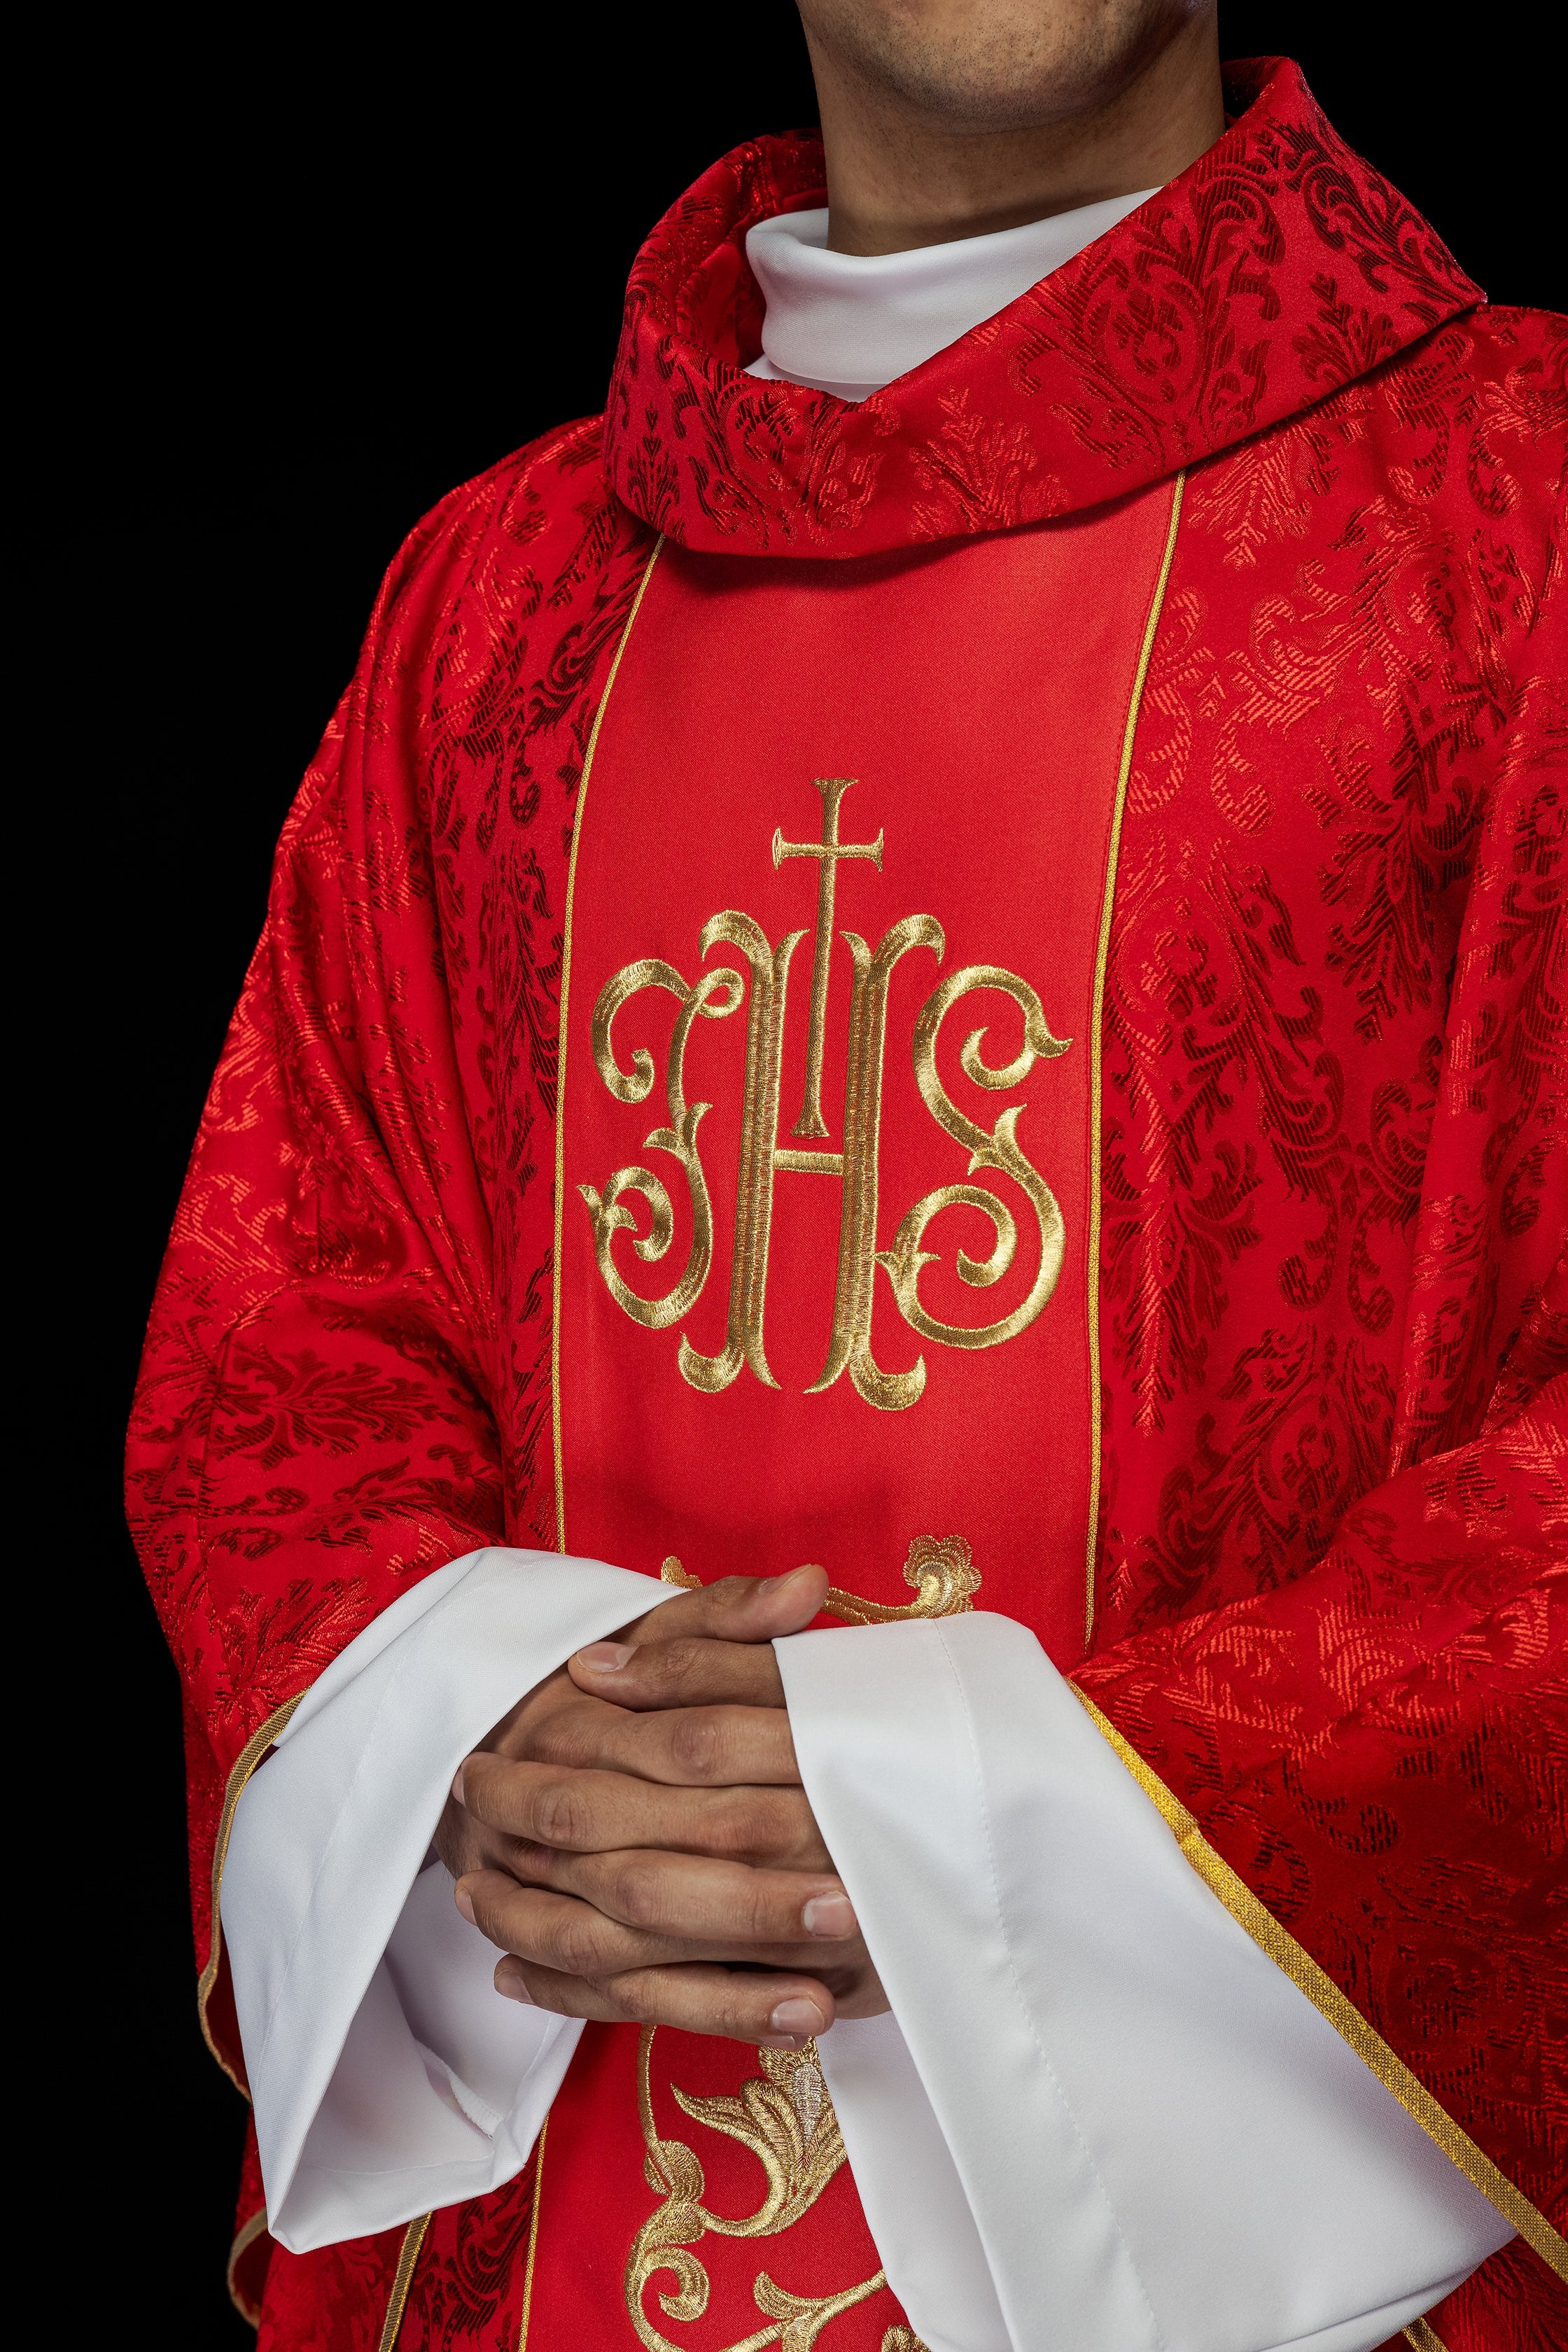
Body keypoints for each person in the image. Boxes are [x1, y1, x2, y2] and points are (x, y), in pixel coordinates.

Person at [127, 4, 1566, 2346]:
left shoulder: (1523, 524)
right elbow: (285, 1351)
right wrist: (454, 1739)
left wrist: (1006, 1827)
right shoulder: (497, 610)